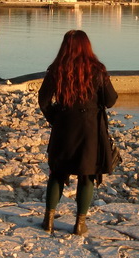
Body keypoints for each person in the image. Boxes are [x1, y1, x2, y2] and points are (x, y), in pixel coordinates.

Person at [38, 30, 118, 235]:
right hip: (90, 129)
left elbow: (44, 101)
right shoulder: (98, 70)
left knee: (57, 173)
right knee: (87, 175)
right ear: (87, 46)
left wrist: (56, 119)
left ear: (64, 46)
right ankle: (80, 224)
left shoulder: (56, 69)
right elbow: (110, 100)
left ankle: (48, 220)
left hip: (64, 126)